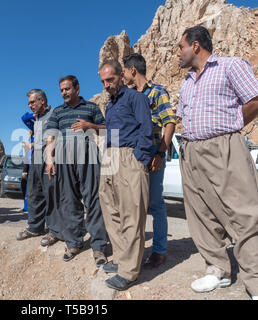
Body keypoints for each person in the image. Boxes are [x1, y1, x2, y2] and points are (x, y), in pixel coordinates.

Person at [177, 26, 258, 300]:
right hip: (191, 151)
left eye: (180, 47)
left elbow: (257, 99)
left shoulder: (230, 66)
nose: (177, 53)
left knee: (245, 212)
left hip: (224, 146)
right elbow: (182, 116)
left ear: (195, 46)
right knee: (202, 214)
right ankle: (217, 270)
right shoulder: (186, 81)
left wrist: (232, 125)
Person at [98, 60, 153, 290]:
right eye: (103, 81)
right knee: (112, 213)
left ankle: (129, 272)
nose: (107, 85)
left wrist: (139, 157)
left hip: (129, 157)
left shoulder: (136, 97)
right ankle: (121, 260)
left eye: (110, 79)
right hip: (110, 157)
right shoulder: (110, 105)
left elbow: (146, 129)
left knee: (132, 214)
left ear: (121, 76)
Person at [45, 76, 108, 266]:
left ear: (77, 88)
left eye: (67, 89)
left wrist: (90, 126)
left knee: (93, 198)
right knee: (68, 199)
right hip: (64, 156)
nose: (64, 93)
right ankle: (73, 243)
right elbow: (51, 138)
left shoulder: (91, 108)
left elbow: (105, 129)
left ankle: (98, 247)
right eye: (61, 90)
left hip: (88, 153)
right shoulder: (57, 112)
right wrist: (49, 160)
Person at [122, 53, 176, 268]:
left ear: (132, 70)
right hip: (132, 155)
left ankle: (159, 251)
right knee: (134, 204)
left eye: (124, 71)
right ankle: (133, 250)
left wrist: (160, 153)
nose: (123, 75)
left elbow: (169, 122)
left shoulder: (157, 92)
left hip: (152, 152)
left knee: (154, 203)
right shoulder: (129, 96)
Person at [16, 89, 62, 247]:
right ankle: (35, 227)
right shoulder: (36, 118)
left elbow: (52, 137)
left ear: (42, 101)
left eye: (32, 102)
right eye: (29, 102)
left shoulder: (54, 114)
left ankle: (54, 230)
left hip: (49, 156)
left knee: (50, 193)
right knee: (33, 192)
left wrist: (34, 145)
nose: (29, 105)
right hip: (36, 158)